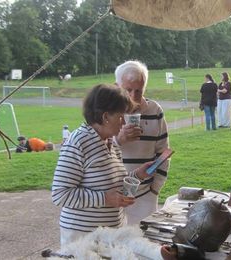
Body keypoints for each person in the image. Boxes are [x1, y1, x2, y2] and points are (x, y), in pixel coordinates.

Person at [51, 84, 154, 245]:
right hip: (83, 240)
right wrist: (105, 199)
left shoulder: (109, 142)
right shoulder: (79, 142)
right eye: (120, 116)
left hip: (110, 235)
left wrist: (138, 175)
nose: (123, 122)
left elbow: (114, 186)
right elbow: (60, 194)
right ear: (105, 117)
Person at [114, 60, 170, 225]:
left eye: (138, 91)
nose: (133, 97)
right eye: (128, 90)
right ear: (116, 86)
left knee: (144, 243)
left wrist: (155, 189)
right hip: (113, 193)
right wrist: (118, 140)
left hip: (145, 194)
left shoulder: (154, 110)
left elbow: (163, 152)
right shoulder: (107, 111)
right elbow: (95, 149)